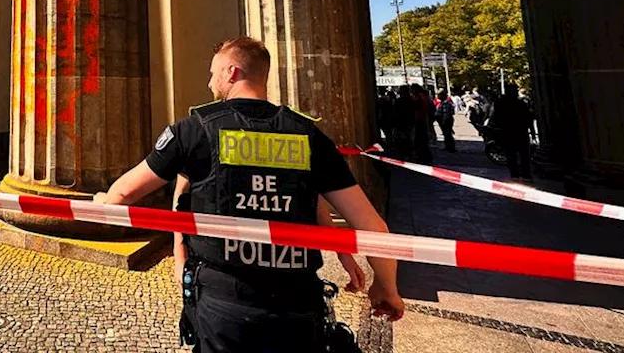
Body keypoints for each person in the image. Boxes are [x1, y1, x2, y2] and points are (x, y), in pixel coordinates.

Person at [94, 37, 403, 352]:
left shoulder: (194, 130)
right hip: (297, 304)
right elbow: (370, 226)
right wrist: (385, 285)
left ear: (231, 72)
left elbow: (125, 193)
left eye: (213, 73)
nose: (209, 81)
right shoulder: (309, 135)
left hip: (224, 305)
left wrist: (103, 202)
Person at [490, 83, 533, 182]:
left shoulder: (500, 103)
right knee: (523, 154)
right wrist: (531, 131)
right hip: (519, 132)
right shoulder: (520, 103)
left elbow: (496, 118)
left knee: (511, 155)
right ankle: (525, 174)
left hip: (507, 132)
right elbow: (527, 118)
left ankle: (515, 174)